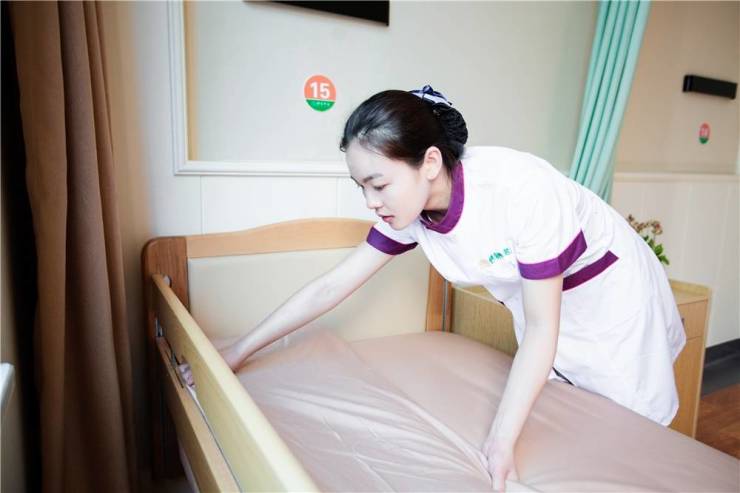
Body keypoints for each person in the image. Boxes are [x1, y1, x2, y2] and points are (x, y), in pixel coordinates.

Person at [215, 85, 686, 491]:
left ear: (430, 162)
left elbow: (544, 327)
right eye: (362, 187)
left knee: (632, 433)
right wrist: (237, 351)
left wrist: (499, 441)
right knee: (576, 419)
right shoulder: (412, 208)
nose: (371, 202)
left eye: (378, 184)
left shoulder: (520, 191)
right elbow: (332, 285)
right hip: (545, 305)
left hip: (611, 303)